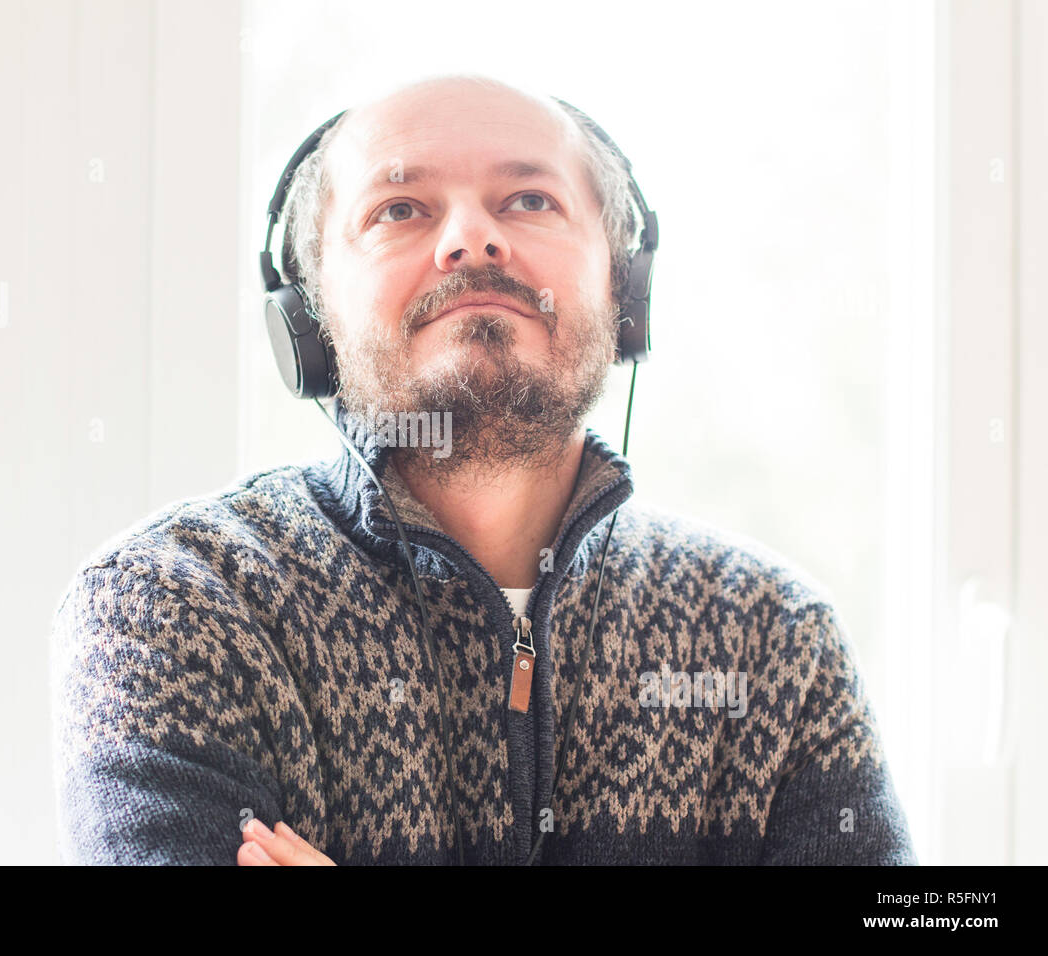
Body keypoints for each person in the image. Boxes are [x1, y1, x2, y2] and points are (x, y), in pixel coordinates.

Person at [49, 73, 917, 866]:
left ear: (625, 290)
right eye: (399, 209)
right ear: (309, 316)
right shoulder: (176, 603)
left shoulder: (774, 640)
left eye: (529, 199)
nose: (471, 240)